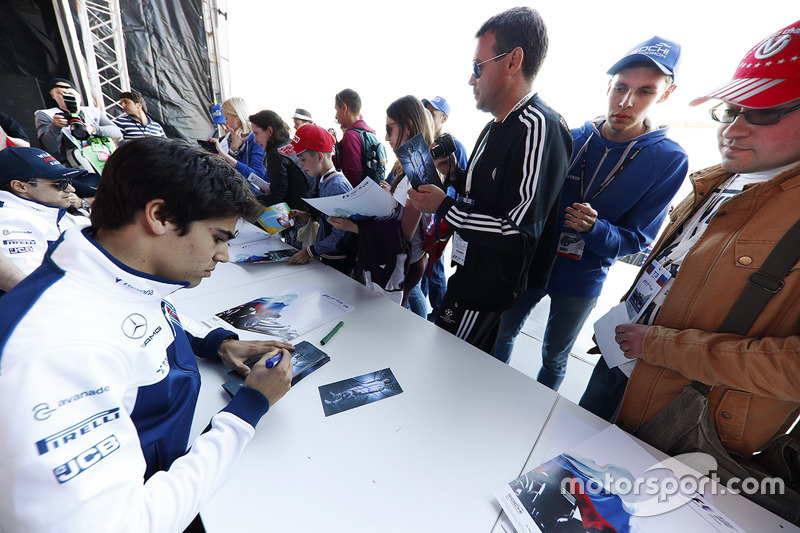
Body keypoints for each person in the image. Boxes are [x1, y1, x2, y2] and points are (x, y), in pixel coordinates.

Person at [0, 136, 294, 532]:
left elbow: (143, 312)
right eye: (219, 238)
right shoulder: (53, 353)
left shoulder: (114, 269)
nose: (223, 256)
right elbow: (129, 523)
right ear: (159, 216)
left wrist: (217, 343)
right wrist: (247, 410)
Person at [582, 21, 800, 463]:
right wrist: (623, 328)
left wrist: (659, 345)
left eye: (763, 112)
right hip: (622, 359)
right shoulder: (717, 179)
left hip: (683, 417)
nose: (734, 129)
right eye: (730, 110)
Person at [493, 36, 689, 391]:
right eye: (620, 88)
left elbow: (638, 240)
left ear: (666, 94)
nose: (626, 102)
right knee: (502, 332)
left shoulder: (669, 159)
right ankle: (482, 394)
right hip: (530, 266)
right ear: (608, 85)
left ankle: (535, 424)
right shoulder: (571, 136)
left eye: (645, 91)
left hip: (584, 277)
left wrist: (595, 229)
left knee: (554, 355)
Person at [408, 7, 573, 354]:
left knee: (446, 364)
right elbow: (487, 194)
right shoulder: (494, 125)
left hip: (487, 287)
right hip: (468, 272)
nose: (471, 79)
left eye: (477, 67)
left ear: (513, 61)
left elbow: (518, 231)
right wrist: (453, 174)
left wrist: (446, 207)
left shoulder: (539, 126)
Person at [418, 95, 469, 320]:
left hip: (443, 218)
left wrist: (443, 208)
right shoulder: (421, 144)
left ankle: (441, 314)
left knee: (435, 267)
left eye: (432, 112)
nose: (427, 115)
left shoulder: (455, 147)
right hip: (422, 215)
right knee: (423, 268)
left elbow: (465, 188)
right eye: (424, 111)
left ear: (444, 118)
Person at [0, 147, 89, 276]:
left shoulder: (51, 210)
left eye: (69, 181)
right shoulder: (9, 220)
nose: (71, 189)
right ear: (20, 186)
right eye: (60, 183)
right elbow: (32, 284)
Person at [285, 124, 357, 277]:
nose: (300, 164)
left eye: (303, 159)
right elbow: (330, 219)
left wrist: (309, 252)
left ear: (319, 156)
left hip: (338, 263)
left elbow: (341, 234)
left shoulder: (335, 187)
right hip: (331, 257)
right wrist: (307, 215)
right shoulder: (326, 180)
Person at [34, 78, 121, 159]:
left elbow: (117, 132)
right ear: (53, 95)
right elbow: (50, 148)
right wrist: (55, 126)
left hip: (103, 156)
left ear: (79, 96)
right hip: (74, 162)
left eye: (71, 94)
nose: (67, 96)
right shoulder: (46, 114)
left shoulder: (92, 111)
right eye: (62, 93)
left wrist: (93, 129)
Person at [249, 109, 315, 210]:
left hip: (296, 216)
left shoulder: (276, 155)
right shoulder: (290, 144)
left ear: (270, 131)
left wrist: (246, 200)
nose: (255, 140)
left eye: (256, 133)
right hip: (306, 211)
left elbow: (278, 199)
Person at [211, 97, 267, 181]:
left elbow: (257, 177)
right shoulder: (231, 138)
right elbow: (227, 174)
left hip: (254, 192)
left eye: (226, 118)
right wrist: (233, 150)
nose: (225, 123)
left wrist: (227, 155)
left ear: (237, 117)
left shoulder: (256, 140)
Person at [333, 88, 379, 187]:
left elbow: (353, 176)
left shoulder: (351, 135)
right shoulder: (369, 132)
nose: (336, 116)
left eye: (337, 110)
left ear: (344, 108)